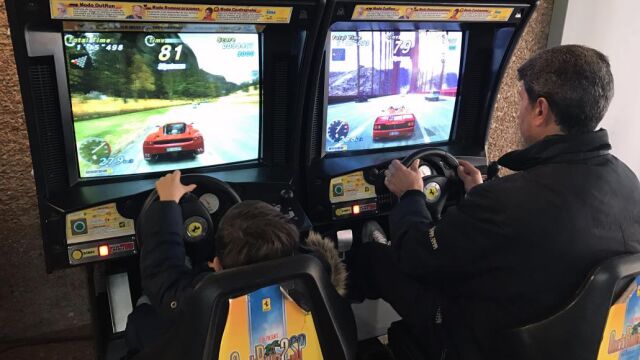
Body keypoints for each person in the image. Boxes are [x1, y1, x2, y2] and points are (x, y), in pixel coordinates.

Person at [351, 44, 640, 359]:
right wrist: (479, 194)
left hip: (476, 339)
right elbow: (537, 229)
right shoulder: (628, 182)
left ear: (540, 110)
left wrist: (410, 195)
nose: (519, 111)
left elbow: (416, 255)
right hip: (567, 344)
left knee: (373, 258)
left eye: (521, 101)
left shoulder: (510, 201)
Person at [125, 170, 347, 355]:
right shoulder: (314, 278)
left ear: (217, 264)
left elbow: (164, 274)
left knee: (142, 314)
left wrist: (166, 205)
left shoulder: (197, 298)